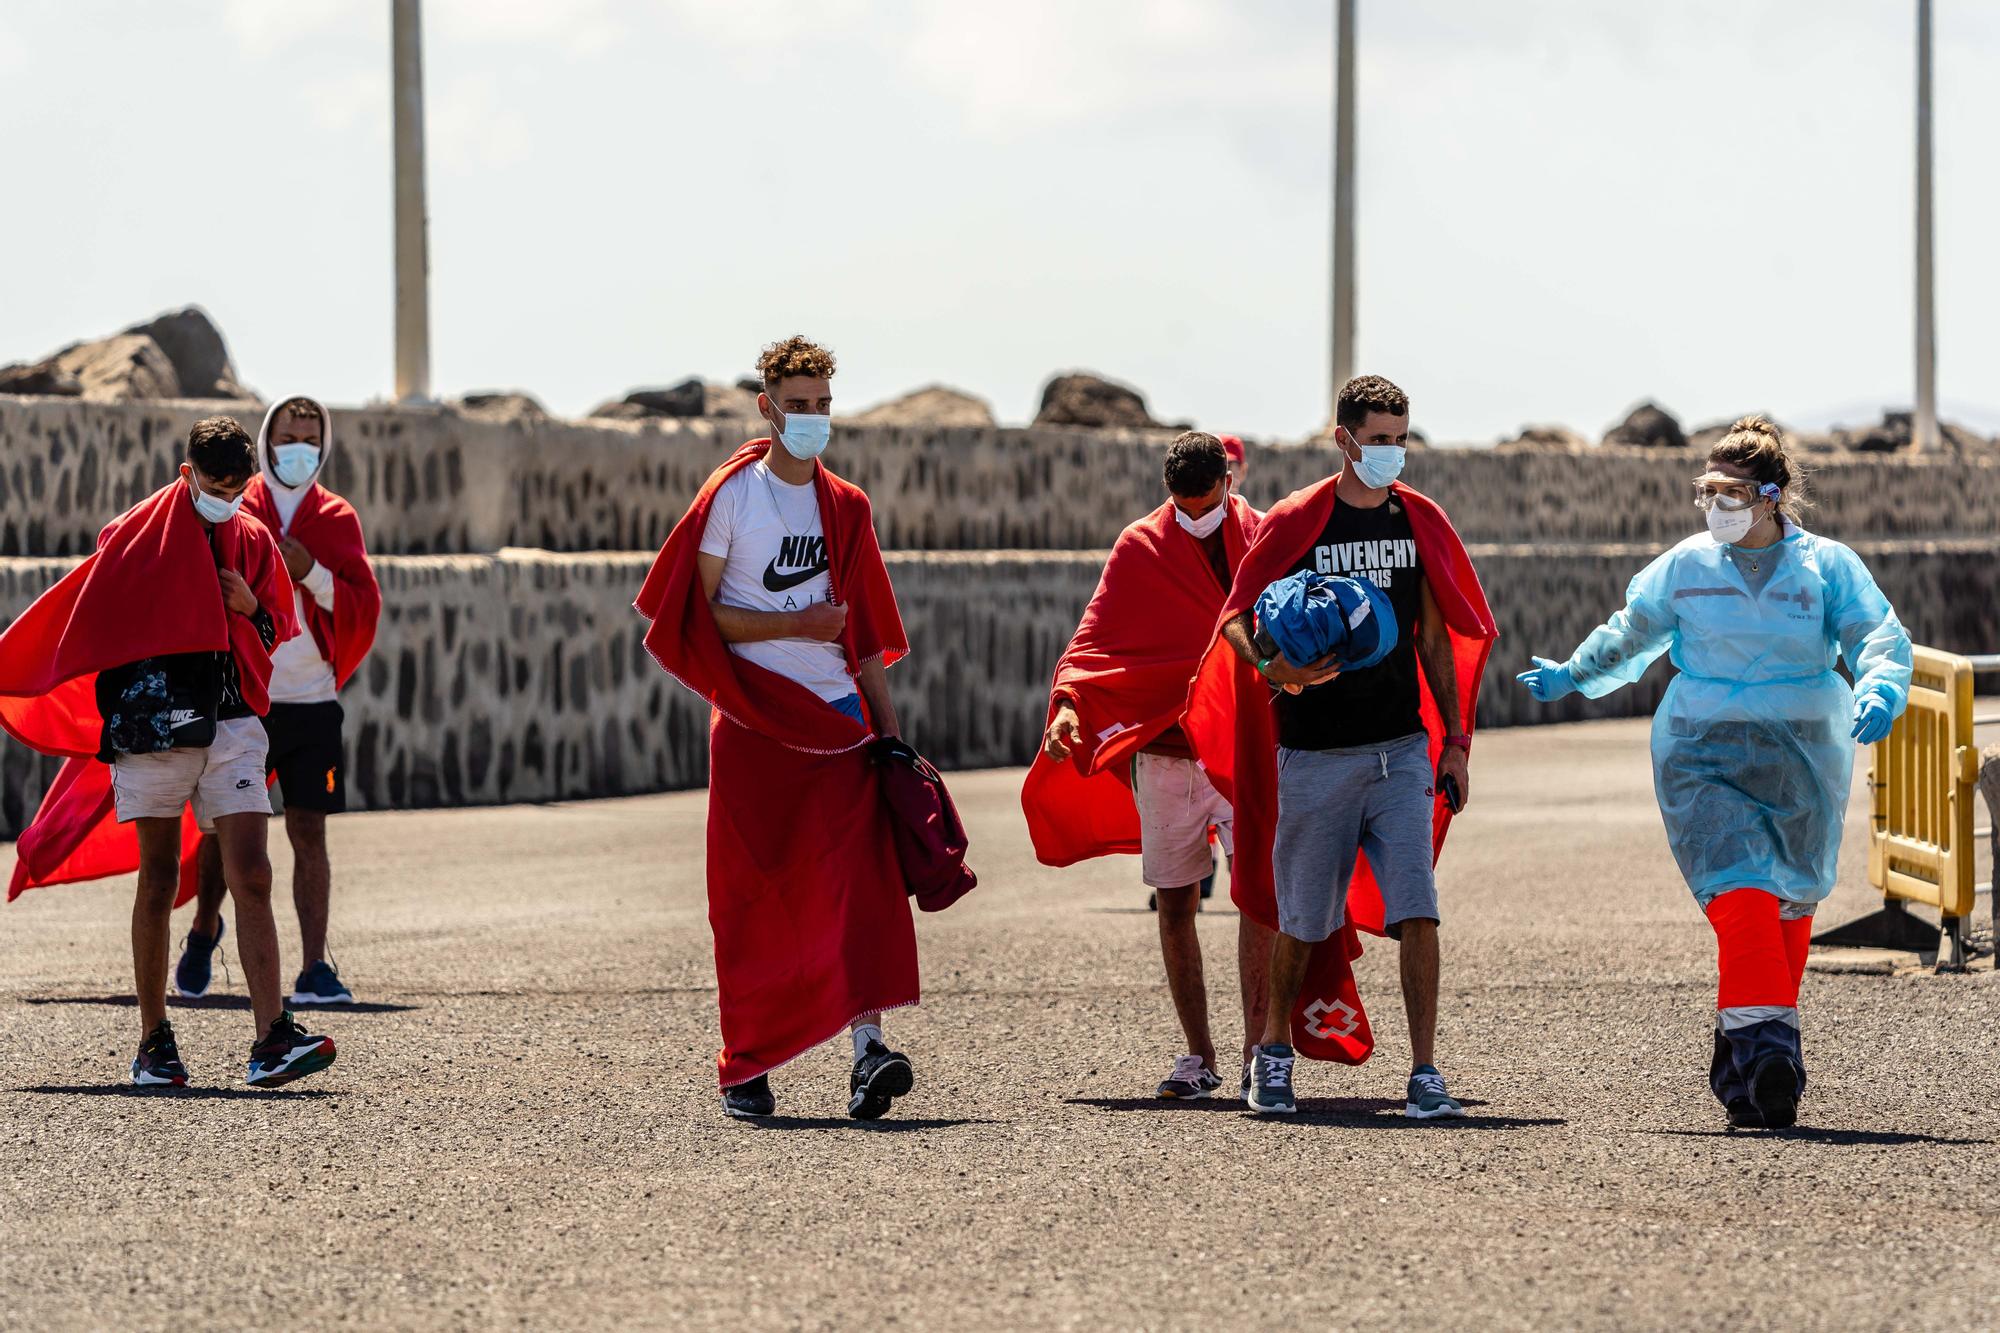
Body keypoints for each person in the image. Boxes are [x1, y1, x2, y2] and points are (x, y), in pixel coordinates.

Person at [1517, 416, 1910, 1130]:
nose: (1715, 504)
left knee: (1786, 911)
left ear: (1771, 496)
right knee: (1742, 888)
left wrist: (1882, 686)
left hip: (1803, 762)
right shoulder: (1685, 567)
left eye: (1730, 491)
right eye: (1707, 490)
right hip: (1700, 752)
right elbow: (1632, 633)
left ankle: (1743, 1073)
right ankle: (1772, 1056)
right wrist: (1576, 672)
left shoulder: (1827, 567)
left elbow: (1876, 633)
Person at [1184, 374, 1496, 1118]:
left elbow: (1434, 637)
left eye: (1400, 439)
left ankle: (1425, 1073)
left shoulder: (1414, 522)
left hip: (1400, 753)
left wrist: (1455, 741)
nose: (1392, 452)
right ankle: (1273, 1055)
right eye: (1379, 439)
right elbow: (1236, 615)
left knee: (1418, 909)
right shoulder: (1298, 520)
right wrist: (1272, 666)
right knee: (1303, 918)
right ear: (1344, 439)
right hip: (1316, 755)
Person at [0, 416, 337, 1088]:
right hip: (155, 728)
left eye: (238, 488)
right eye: (216, 486)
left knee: (254, 871)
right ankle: (154, 1041)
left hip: (235, 718)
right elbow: (90, 617)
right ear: (188, 473)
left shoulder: (254, 538)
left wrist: (249, 611)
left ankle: (271, 1037)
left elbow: (279, 626)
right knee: (156, 878)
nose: (228, 498)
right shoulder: (132, 533)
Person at [634, 335, 922, 1121]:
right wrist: (796, 622)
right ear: (766, 407)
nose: (812, 419)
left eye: (823, 406)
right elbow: (706, 616)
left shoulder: (847, 507)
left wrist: (890, 739)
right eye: (797, 406)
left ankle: (869, 1051)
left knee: (860, 890)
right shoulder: (734, 498)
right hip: (755, 721)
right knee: (753, 897)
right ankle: (747, 1065)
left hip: (839, 723)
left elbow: (863, 640)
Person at [1023, 431, 1272, 1099]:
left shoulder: (1263, 536)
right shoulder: (1140, 545)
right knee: (1174, 903)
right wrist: (1069, 711)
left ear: (1228, 480)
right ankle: (1198, 1055)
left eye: (1204, 501)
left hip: (1243, 750)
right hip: (1165, 757)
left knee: (1259, 898)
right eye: (1181, 504)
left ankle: (1258, 1055)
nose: (1194, 515)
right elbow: (1094, 640)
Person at [178, 396, 382, 1007]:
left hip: (312, 700)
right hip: (245, 698)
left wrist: (313, 571)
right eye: (289, 435)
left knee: (308, 830)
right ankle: (204, 927)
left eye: (310, 437)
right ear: (267, 439)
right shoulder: (241, 503)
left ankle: (315, 966)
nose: (300, 447)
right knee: (223, 831)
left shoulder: (337, 517)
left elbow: (362, 604)